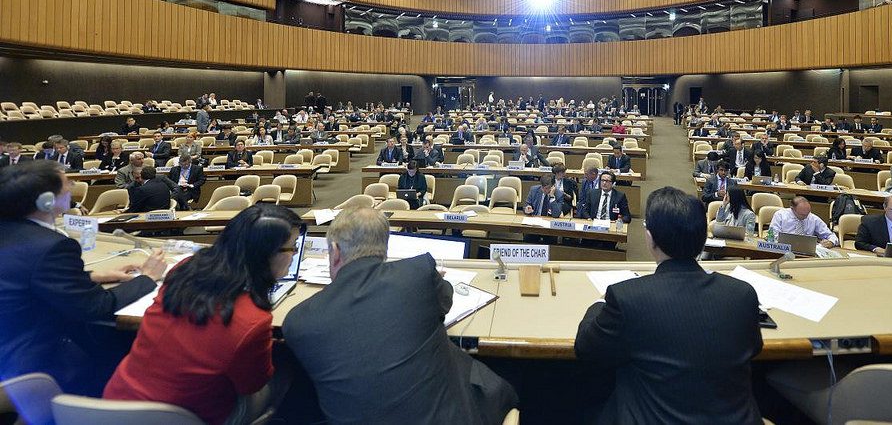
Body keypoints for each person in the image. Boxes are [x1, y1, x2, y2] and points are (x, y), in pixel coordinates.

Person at [283, 208, 517, 424]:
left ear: (334, 251)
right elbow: (444, 303)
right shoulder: (418, 273)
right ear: (385, 246)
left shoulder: (298, 321)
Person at [575, 187, 762, 424]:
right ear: (703, 239)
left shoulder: (626, 298)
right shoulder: (743, 294)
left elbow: (586, 348)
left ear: (650, 238)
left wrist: (601, 301)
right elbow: (754, 349)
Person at [105, 205, 301, 424]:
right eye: (291, 248)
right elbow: (251, 384)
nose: (294, 255)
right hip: (182, 418)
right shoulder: (253, 320)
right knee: (287, 367)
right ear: (265, 254)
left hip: (118, 398)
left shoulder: (185, 267)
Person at [0, 161, 167, 394]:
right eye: (67, 182)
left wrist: (94, 275)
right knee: (124, 347)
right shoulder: (52, 246)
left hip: (7, 341)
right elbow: (96, 306)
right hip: (27, 361)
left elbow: (23, 275)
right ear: (46, 200)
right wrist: (147, 277)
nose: (72, 186)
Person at [768, 196, 838, 247]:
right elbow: (773, 236)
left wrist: (831, 242)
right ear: (792, 208)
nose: (806, 217)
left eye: (807, 213)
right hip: (784, 248)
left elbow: (831, 235)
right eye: (802, 214)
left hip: (807, 252)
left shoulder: (813, 218)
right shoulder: (780, 215)